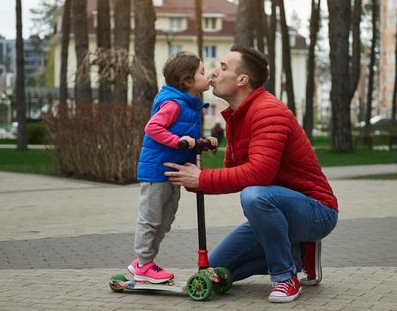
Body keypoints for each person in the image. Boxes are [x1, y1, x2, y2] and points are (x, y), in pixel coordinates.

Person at [164, 45, 338, 303]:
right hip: (275, 211)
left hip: (316, 211)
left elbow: (259, 174)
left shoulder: (268, 111)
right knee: (216, 269)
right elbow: (233, 173)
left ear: (242, 79)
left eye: (223, 67)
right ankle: (299, 253)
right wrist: (196, 177)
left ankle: (285, 277)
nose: (213, 72)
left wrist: (202, 179)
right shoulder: (237, 116)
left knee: (254, 195)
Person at [127, 51, 218, 284]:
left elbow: (186, 136)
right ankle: (144, 263)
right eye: (201, 72)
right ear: (188, 81)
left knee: (165, 220)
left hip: (173, 171)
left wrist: (203, 143)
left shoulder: (191, 105)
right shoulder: (173, 104)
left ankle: (143, 263)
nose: (206, 76)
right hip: (157, 171)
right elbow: (153, 128)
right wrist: (177, 141)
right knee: (151, 218)